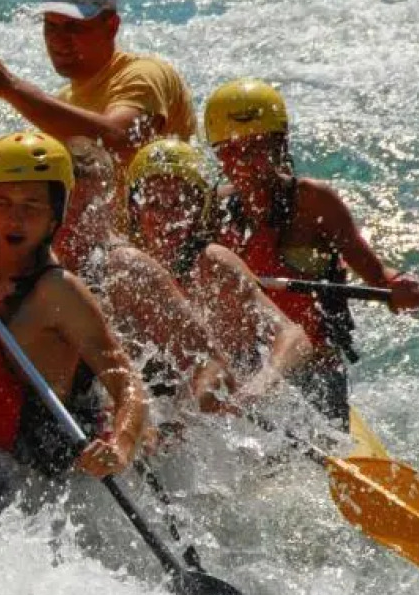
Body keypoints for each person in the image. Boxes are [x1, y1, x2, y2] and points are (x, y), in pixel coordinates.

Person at [0, 132, 147, 486]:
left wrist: (120, 446)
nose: (14, 219)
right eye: (3, 204)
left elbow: (127, 382)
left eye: (32, 206)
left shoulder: (59, 291)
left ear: (56, 214)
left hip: (38, 485)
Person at [0, 136, 231, 412]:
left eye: (90, 209)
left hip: (128, 410)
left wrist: (177, 422)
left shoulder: (127, 270)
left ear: (111, 207)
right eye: (72, 209)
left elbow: (212, 362)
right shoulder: (14, 250)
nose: (78, 222)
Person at [205, 79, 419, 427]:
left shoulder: (313, 201)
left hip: (314, 368)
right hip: (248, 362)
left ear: (280, 147)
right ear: (219, 156)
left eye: (258, 148)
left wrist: (397, 285)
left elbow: (374, 273)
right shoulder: (213, 209)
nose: (248, 162)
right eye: (234, 151)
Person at [125, 139, 313, 412]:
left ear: (198, 208)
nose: (167, 219)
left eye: (178, 204)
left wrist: (260, 386)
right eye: (154, 204)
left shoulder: (214, 264)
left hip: (237, 397)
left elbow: (295, 338)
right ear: (135, 209)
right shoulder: (127, 269)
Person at [0, 0, 195, 187]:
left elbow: (120, 142)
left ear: (111, 26)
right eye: (50, 25)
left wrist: (12, 88)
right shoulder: (63, 104)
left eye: (73, 27)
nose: (57, 40)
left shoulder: (146, 74)